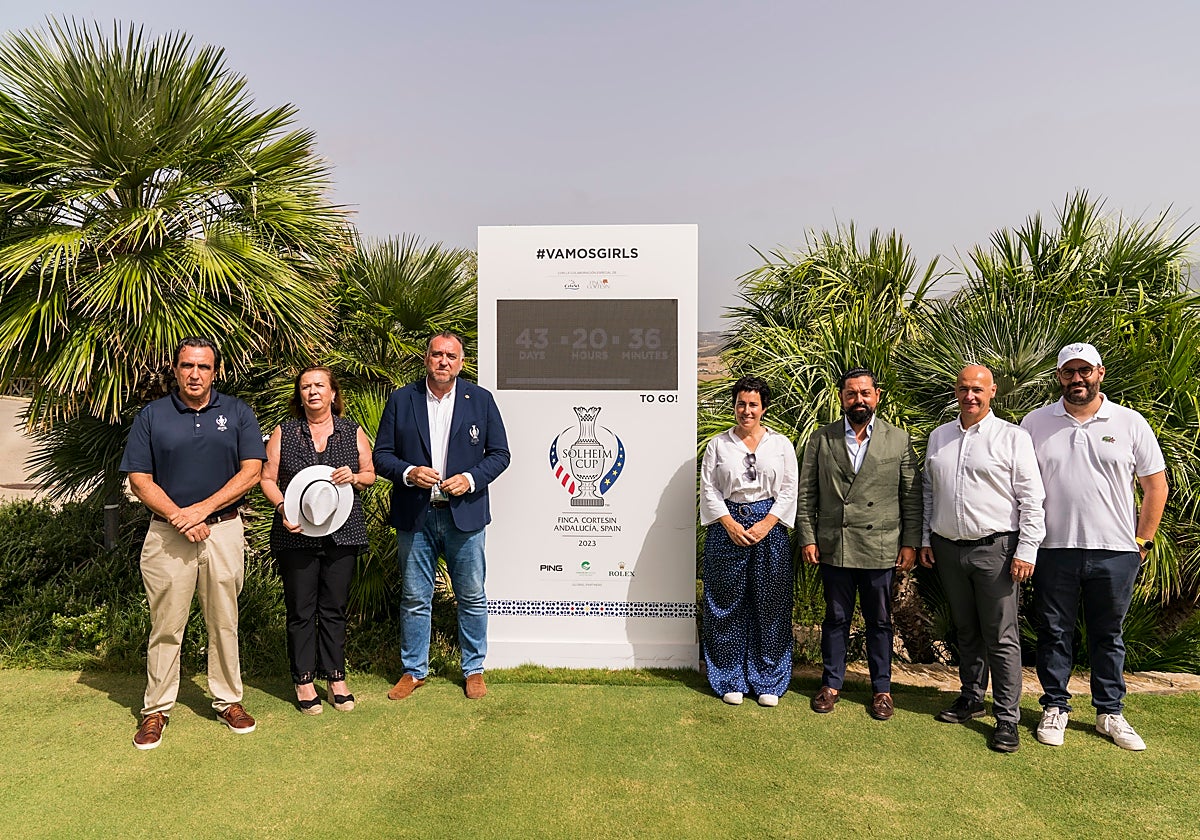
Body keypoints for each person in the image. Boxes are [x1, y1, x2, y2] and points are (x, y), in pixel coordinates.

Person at [119, 337, 265, 749]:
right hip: (168, 534)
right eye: (187, 366)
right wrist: (181, 517)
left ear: (214, 371)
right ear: (176, 370)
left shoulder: (237, 412)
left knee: (224, 622)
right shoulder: (153, 415)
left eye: (203, 367)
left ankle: (228, 701)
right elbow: (140, 479)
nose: (194, 374)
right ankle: (156, 710)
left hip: (222, 531)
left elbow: (252, 470)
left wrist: (201, 510)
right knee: (166, 625)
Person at [1021, 342, 1168, 751]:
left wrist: (1143, 540)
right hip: (1053, 549)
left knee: (1108, 634)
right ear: (1059, 377)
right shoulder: (1035, 423)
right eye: (1069, 372)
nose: (1077, 379)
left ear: (1100, 373)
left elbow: (1155, 485)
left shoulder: (1129, 422)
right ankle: (1055, 706)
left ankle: (1110, 712)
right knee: (1053, 633)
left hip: (1115, 552)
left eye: (1085, 370)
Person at [373, 332, 510, 700]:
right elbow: (381, 455)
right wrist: (408, 473)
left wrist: (469, 479)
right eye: (437, 354)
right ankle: (414, 670)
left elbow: (500, 454)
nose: (443, 361)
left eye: (451, 355)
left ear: (461, 362)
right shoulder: (403, 399)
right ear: (426, 359)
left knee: (471, 595)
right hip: (415, 515)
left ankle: (474, 669)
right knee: (416, 597)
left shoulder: (480, 400)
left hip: (464, 516)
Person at [918, 365, 1045, 752]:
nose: (969, 396)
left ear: (992, 392)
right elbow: (929, 492)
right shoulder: (939, 437)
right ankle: (971, 697)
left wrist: (1027, 550)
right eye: (963, 389)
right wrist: (925, 538)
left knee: (1001, 636)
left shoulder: (1012, 437)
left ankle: (1007, 718)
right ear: (955, 392)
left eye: (977, 389)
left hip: (997, 550)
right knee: (966, 630)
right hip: (947, 548)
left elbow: (1031, 498)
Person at [797, 367, 922, 720]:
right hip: (835, 544)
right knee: (836, 617)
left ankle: (882, 689)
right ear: (842, 398)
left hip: (881, 546)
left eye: (864, 393)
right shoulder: (822, 439)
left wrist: (911, 542)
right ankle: (831, 683)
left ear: (876, 396)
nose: (858, 400)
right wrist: (808, 535)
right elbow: (807, 494)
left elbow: (911, 496)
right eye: (851, 394)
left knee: (879, 621)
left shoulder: (898, 439)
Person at [260, 366, 375, 714]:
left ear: (333, 393)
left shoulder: (351, 431)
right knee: (300, 610)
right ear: (300, 395)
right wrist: (282, 507)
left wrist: (354, 476)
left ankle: (336, 677)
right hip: (295, 532)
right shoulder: (285, 431)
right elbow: (267, 477)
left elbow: (370, 474)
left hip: (342, 530)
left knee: (334, 608)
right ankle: (304, 678)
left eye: (319, 386)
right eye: (306, 386)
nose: (312, 391)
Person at [699, 376, 799, 707]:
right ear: (734, 406)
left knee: (771, 603)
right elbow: (710, 489)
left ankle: (768, 678)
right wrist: (728, 523)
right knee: (725, 603)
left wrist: (767, 523)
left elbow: (788, 489)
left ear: (763, 408)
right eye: (741, 403)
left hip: (769, 528)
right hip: (726, 528)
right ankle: (729, 677)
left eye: (753, 404)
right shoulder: (718, 445)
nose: (746, 410)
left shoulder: (780, 444)